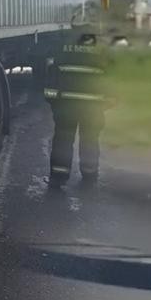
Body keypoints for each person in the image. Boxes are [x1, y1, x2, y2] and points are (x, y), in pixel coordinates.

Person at [43, 24, 111, 187]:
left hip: (66, 106)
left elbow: (52, 76)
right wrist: (106, 103)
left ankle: (59, 177)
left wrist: (54, 103)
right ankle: (89, 174)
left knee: (63, 140)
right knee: (90, 139)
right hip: (93, 108)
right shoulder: (102, 47)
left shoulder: (63, 45)